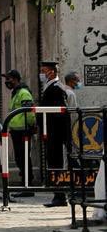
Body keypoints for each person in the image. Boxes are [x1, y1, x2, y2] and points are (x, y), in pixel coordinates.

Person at [39, 60, 71, 208]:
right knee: (52, 162)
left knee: (57, 163)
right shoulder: (49, 87)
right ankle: (57, 195)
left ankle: (60, 196)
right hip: (50, 132)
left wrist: (62, 136)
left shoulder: (57, 88)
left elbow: (61, 113)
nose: (42, 74)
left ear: (52, 72)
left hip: (56, 133)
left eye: (44, 71)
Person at [2, 69, 35, 187]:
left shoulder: (23, 93)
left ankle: (27, 183)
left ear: (15, 79)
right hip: (16, 131)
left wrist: (30, 126)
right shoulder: (16, 93)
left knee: (24, 158)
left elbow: (30, 112)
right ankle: (24, 182)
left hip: (23, 131)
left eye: (8, 79)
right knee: (19, 158)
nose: (6, 82)